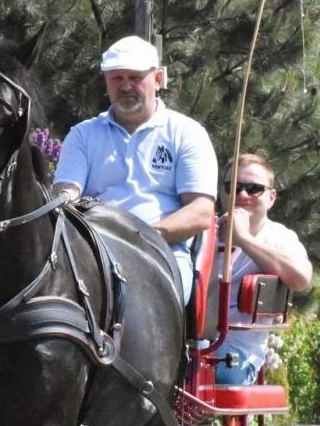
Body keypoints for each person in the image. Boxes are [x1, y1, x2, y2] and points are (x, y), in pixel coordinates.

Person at [50, 36, 216, 300]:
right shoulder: (82, 135)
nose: (126, 86)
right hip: (92, 250)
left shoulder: (187, 133)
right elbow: (66, 193)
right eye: (117, 78)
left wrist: (146, 236)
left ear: (158, 79)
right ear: (106, 82)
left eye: (135, 77)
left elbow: (200, 212)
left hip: (162, 251)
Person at [214, 153, 312, 384]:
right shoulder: (201, 233)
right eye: (233, 187)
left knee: (212, 374)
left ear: (271, 197)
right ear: (223, 193)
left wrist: (244, 238)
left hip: (237, 354)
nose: (242, 195)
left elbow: (301, 279)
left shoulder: (280, 238)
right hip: (190, 344)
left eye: (254, 188)